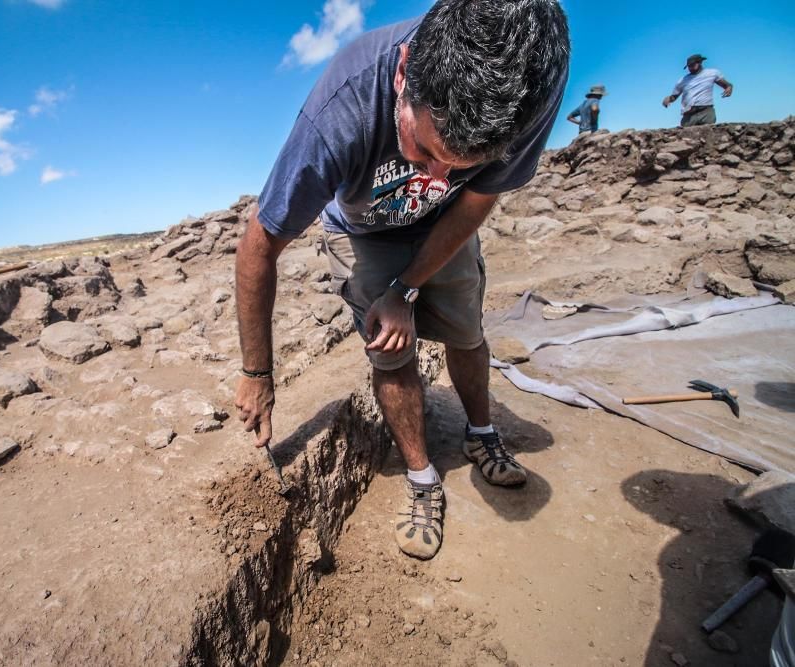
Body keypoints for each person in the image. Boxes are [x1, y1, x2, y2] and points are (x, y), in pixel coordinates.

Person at [234, 0, 569, 560]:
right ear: (403, 71)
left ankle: (481, 433)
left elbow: (477, 198)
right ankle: (422, 479)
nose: (437, 175)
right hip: (362, 232)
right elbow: (258, 246)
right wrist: (257, 372)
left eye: (461, 165)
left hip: (448, 226)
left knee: (466, 331)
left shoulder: (532, 80)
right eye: (425, 150)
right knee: (389, 351)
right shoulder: (341, 112)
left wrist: (407, 288)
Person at [662, 54, 733, 127]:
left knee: (707, 135)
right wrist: (668, 99)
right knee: (686, 137)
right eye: (688, 66)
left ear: (700, 62)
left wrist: (729, 87)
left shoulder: (712, 73)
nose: (690, 68)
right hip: (689, 115)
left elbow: (727, 85)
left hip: (706, 112)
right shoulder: (683, 80)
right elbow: (674, 96)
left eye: (692, 65)